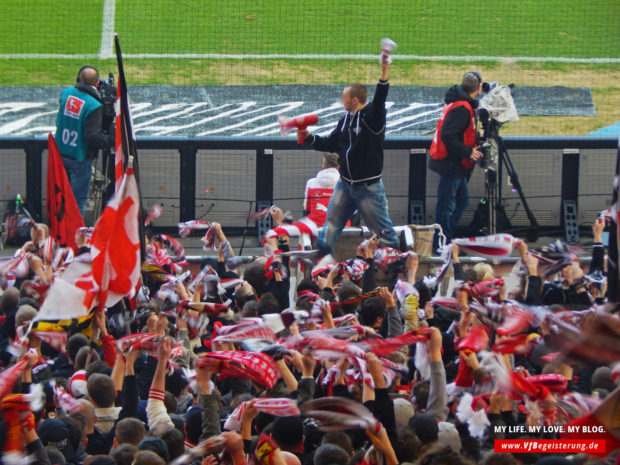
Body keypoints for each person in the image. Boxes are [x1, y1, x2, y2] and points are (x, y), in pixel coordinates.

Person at [298, 55, 400, 265]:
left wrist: (384, 72)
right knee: (331, 226)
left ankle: (399, 262)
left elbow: (380, 99)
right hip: (344, 184)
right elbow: (332, 143)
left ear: (354, 100)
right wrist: (309, 138)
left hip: (368, 188)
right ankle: (322, 263)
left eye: (344, 97)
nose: (341, 100)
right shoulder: (345, 119)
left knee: (384, 233)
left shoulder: (372, 118)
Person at [429, 71, 484, 245]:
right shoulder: (463, 108)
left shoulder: (459, 103)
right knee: (446, 205)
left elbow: (454, 132)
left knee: (461, 200)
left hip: (452, 163)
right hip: (452, 164)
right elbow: (449, 135)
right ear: (479, 88)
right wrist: (467, 151)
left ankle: (445, 237)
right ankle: (441, 242)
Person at [55, 66, 115, 216]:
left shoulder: (66, 93)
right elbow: (92, 137)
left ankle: (61, 233)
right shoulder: (94, 105)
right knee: (78, 201)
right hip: (79, 158)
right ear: (96, 84)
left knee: (61, 198)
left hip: (60, 153)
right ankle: (75, 236)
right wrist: (111, 139)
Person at [303, 152, 341, 227]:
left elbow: (306, 208)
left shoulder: (311, 183)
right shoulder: (345, 184)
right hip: (340, 226)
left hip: (314, 226)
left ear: (323, 166)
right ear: (338, 167)